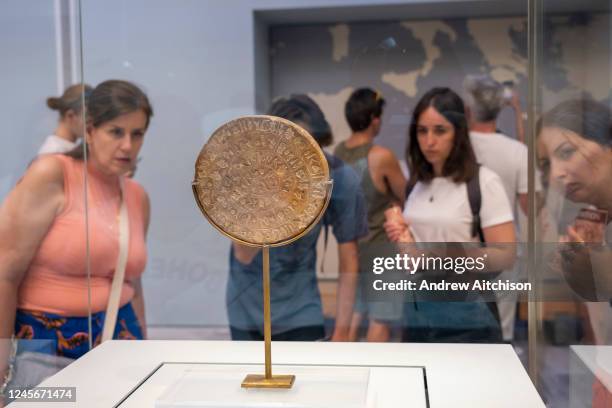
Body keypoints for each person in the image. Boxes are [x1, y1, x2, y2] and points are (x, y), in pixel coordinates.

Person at [0, 80, 153, 397]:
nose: (128, 145)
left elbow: (132, 283)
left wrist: (146, 350)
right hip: (46, 342)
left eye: (137, 133)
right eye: (116, 131)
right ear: (90, 130)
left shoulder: (137, 196)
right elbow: (4, 273)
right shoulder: (53, 174)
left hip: (120, 336)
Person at [227, 94, 367, 341]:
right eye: (290, 145)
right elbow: (244, 254)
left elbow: (350, 260)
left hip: (301, 310)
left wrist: (342, 335)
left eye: (308, 146)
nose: (299, 157)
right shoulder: (252, 172)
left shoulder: (338, 177)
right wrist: (267, 191)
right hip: (246, 308)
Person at [384, 87, 516, 343]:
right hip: (419, 311)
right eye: (422, 131)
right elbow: (415, 258)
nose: (429, 141)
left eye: (440, 130)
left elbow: (506, 255)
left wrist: (439, 257)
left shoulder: (483, 182)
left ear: (458, 132)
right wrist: (402, 235)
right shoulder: (416, 185)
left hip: (468, 314)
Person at [463, 75, 543, 341]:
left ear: (468, 108)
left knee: (458, 327)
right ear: (500, 108)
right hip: (503, 248)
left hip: (462, 248)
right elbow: (529, 207)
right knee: (502, 331)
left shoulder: (458, 149)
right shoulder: (518, 152)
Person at [537, 98, 612, 344]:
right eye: (546, 164)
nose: (556, 174)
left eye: (567, 152)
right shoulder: (595, 216)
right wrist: (579, 265)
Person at [334, 88, 406, 342]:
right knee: (381, 319)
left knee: (354, 316)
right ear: (375, 119)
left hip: (352, 250)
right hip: (382, 250)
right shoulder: (381, 157)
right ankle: (380, 376)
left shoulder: (337, 154)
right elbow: (408, 195)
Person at [39, 84, 93, 155]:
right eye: (88, 119)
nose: (92, 124)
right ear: (70, 116)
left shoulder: (66, 148)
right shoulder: (54, 151)